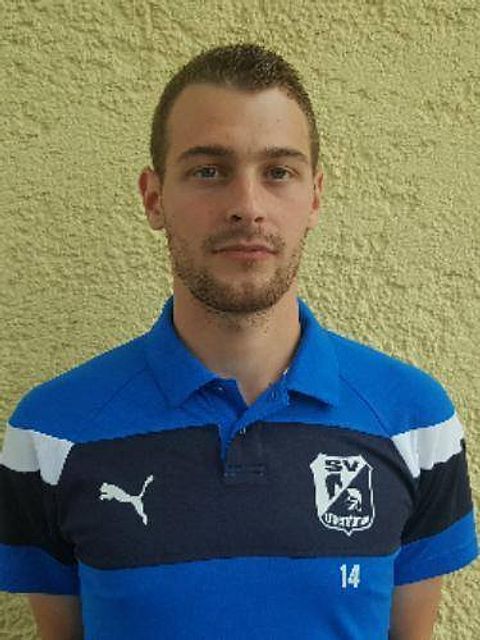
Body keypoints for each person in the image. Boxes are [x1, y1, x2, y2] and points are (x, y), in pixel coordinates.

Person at [0, 43, 477, 640]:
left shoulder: (416, 422)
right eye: (209, 171)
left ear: (315, 196)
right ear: (153, 197)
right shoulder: (50, 434)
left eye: (278, 172)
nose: (247, 207)